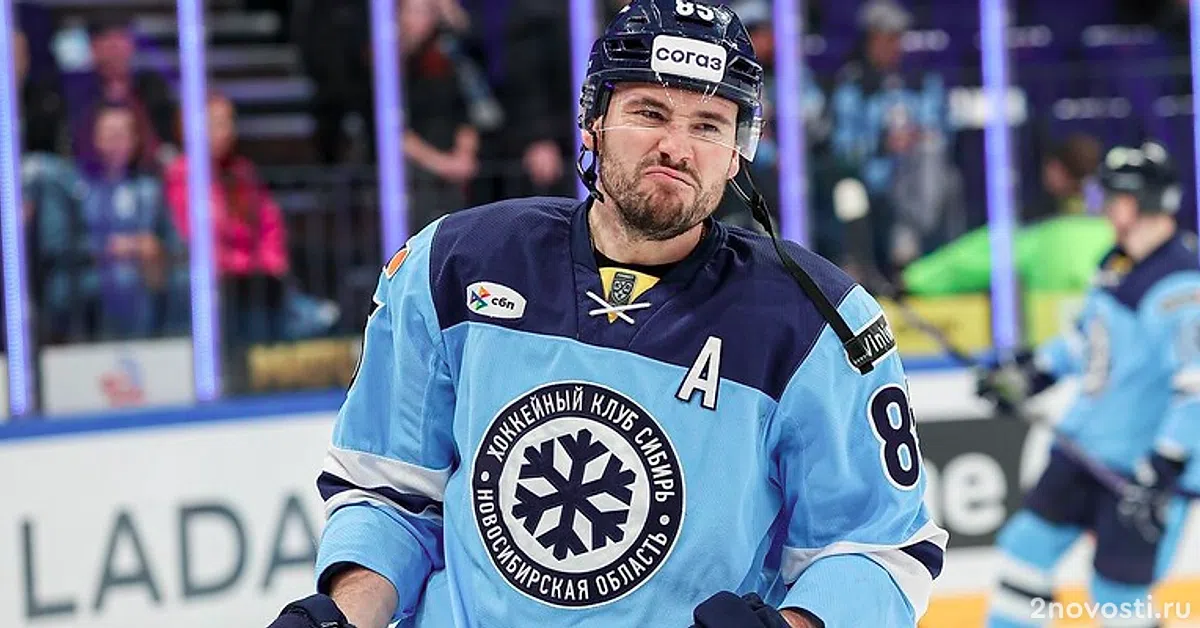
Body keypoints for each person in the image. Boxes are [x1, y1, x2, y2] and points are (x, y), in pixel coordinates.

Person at [267, 2, 946, 627]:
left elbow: (879, 548)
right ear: (593, 119)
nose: (676, 147)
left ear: (739, 150)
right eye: (649, 112)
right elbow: (393, 496)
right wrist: (341, 616)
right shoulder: (452, 264)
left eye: (708, 125)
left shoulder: (816, 324)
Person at [977, 141, 1200, 627]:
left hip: (1139, 471)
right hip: (1084, 451)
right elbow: (1088, 342)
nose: (1106, 206)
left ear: (1146, 200)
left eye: (1117, 196)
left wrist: (1165, 463)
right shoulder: (1117, 264)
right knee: (1027, 551)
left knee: (1116, 597)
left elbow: (1196, 388)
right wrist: (1030, 375)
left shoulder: (1181, 285)